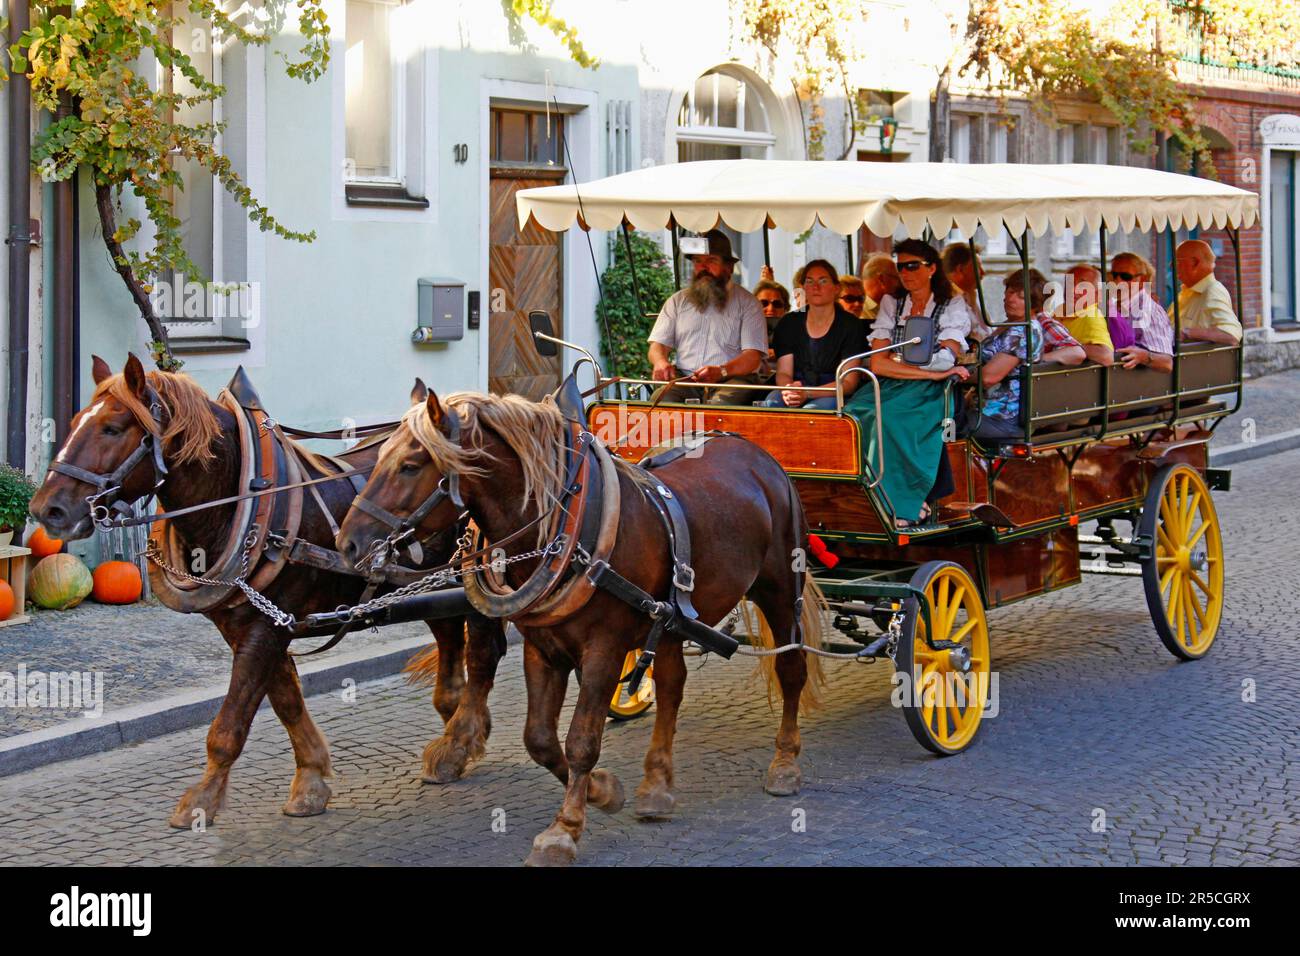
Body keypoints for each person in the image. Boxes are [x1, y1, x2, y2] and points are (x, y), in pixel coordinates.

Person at [844, 239, 973, 527]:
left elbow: (947, 359)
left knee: (888, 417)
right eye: (901, 266)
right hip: (902, 382)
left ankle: (904, 503)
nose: (905, 272)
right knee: (853, 412)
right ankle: (860, 497)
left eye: (912, 265)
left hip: (934, 392)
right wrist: (930, 371)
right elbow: (878, 362)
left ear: (932, 269)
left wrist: (911, 366)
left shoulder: (951, 305)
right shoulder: (892, 303)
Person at [964, 269, 1086, 442]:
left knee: (938, 425)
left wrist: (953, 375)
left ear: (1034, 304)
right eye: (1011, 292)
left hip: (1001, 417)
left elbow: (988, 378)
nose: (1012, 299)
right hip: (984, 409)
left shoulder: (1022, 330)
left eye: (1022, 297)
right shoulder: (1007, 325)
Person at [648, 230, 767, 405]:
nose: (703, 268)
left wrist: (722, 371)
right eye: (698, 261)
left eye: (711, 261)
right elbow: (658, 345)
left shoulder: (748, 304)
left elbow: (752, 357)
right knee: (660, 400)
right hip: (687, 379)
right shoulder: (677, 301)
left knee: (719, 406)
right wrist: (660, 361)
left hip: (732, 380)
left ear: (728, 267)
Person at [762, 260, 866, 410]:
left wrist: (808, 393)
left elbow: (848, 383)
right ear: (803, 287)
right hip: (797, 387)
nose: (815, 287)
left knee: (813, 410)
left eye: (823, 281)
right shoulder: (789, 323)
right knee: (773, 402)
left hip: (832, 391)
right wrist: (788, 389)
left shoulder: (851, 325)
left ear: (836, 288)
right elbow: (784, 372)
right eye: (809, 281)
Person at [1108, 252, 1173, 372]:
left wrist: (1144, 356)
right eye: (1114, 275)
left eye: (1126, 277)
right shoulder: (1114, 305)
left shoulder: (1149, 311)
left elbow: (1166, 362)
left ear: (1142, 280)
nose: (1117, 281)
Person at [1175, 239, 1243, 344]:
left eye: (1178, 262)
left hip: (1191, 359)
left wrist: (1187, 333)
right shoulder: (1186, 292)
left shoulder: (1212, 291)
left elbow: (1231, 335)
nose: (1173, 266)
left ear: (1195, 263)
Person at [1056, 264, 1114, 365]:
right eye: (1070, 283)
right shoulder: (1058, 312)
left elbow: (1106, 356)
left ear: (1097, 294)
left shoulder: (1091, 316)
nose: (1073, 290)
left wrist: (1070, 349)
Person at [942, 241, 993, 341]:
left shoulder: (971, 295)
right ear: (960, 269)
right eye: (978, 267)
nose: (983, 273)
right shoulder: (946, 298)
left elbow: (986, 329)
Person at [861, 254, 900, 323]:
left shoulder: (891, 306)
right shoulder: (857, 311)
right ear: (881, 279)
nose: (899, 283)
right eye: (896, 277)